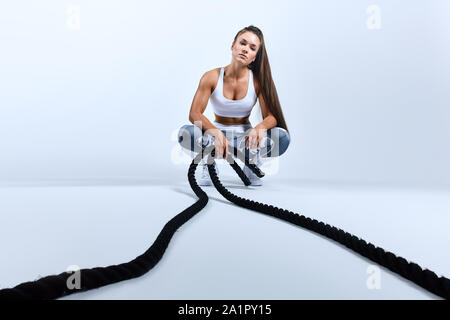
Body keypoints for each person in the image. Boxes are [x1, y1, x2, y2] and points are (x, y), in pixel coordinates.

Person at [178, 25, 290, 186]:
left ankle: (252, 163)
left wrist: (259, 128)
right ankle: (208, 163)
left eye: (252, 48)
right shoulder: (211, 77)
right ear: (233, 46)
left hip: (245, 141)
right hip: (215, 138)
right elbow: (194, 113)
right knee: (185, 133)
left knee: (282, 137)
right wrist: (215, 133)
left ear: (255, 57)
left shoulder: (258, 81)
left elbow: (271, 117)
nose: (245, 49)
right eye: (242, 43)